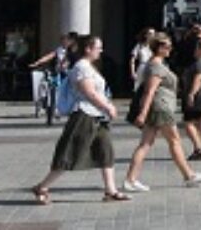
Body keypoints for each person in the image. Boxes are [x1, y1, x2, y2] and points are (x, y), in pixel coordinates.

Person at [31, 35, 130, 204]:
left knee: (106, 151)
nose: (100, 51)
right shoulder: (82, 68)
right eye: (98, 47)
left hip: (98, 116)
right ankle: (42, 186)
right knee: (71, 153)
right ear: (88, 49)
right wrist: (107, 106)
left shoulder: (89, 67)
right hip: (85, 114)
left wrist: (105, 108)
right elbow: (89, 92)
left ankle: (110, 190)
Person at [124, 34, 201, 191]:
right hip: (161, 107)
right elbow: (149, 91)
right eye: (167, 46)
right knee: (174, 141)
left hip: (159, 107)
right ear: (159, 48)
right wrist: (142, 113)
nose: (170, 49)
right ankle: (189, 176)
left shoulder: (157, 65)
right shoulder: (156, 67)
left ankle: (131, 179)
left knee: (146, 144)